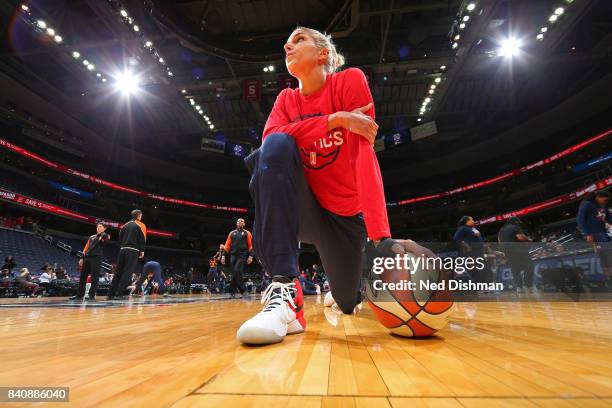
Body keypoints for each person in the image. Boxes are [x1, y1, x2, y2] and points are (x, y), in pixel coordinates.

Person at [236, 26, 422, 344]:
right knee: (275, 148)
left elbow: (365, 154)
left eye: (299, 40)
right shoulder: (285, 99)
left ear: (323, 52)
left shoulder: (349, 81)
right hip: (303, 208)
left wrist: (381, 236)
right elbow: (270, 142)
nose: (287, 46)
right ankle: (285, 291)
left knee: (348, 302)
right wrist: (335, 120)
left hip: (344, 218)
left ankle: (346, 290)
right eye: (287, 43)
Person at [108, 210, 146, 300]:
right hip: (133, 250)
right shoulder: (141, 225)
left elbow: (120, 238)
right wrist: (142, 250)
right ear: (139, 216)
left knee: (118, 272)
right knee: (127, 272)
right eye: (141, 215)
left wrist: (122, 247)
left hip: (122, 250)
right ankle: (119, 294)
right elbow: (143, 238)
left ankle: (111, 293)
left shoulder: (124, 225)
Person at [577, 190, 612, 279]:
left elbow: (610, 219)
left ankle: (609, 276)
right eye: (604, 200)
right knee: (603, 256)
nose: (606, 202)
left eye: (607, 200)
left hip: (603, 234)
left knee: (607, 256)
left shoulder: (603, 205)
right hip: (594, 235)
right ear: (597, 197)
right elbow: (580, 220)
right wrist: (588, 234)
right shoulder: (587, 204)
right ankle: (608, 277)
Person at [70, 223, 109, 301]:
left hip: (96, 258)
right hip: (87, 257)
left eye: (100, 227)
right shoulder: (91, 237)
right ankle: (79, 295)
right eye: (97, 226)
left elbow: (104, 242)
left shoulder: (106, 235)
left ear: (104, 228)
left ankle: (91, 295)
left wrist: (102, 235)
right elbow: (86, 248)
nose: (98, 228)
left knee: (94, 277)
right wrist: (82, 258)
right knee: (82, 277)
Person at [498, 217, 534, 292]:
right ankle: (528, 285)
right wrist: (528, 240)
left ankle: (519, 287)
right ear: (515, 222)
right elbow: (521, 238)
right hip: (519, 250)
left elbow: (499, 242)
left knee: (515, 270)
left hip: (509, 253)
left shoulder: (501, 230)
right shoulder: (515, 227)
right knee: (529, 266)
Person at [222, 218, 254, 298]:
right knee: (235, 274)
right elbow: (227, 246)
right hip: (233, 255)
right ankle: (241, 291)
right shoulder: (232, 233)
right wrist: (223, 256)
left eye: (242, 221)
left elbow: (251, 246)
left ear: (244, 224)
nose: (240, 222)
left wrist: (251, 256)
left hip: (242, 255)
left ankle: (235, 291)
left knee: (237, 271)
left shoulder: (247, 233)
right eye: (238, 221)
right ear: (236, 223)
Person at [453, 216, 484, 282]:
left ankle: (484, 286)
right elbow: (456, 238)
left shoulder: (472, 228)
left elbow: (478, 236)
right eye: (471, 220)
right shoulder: (463, 228)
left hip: (479, 250)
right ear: (467, 221)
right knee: (474, 268)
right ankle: (480, 287)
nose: (473, 221)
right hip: (472, 251)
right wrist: (467, 246)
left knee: (481, 268)